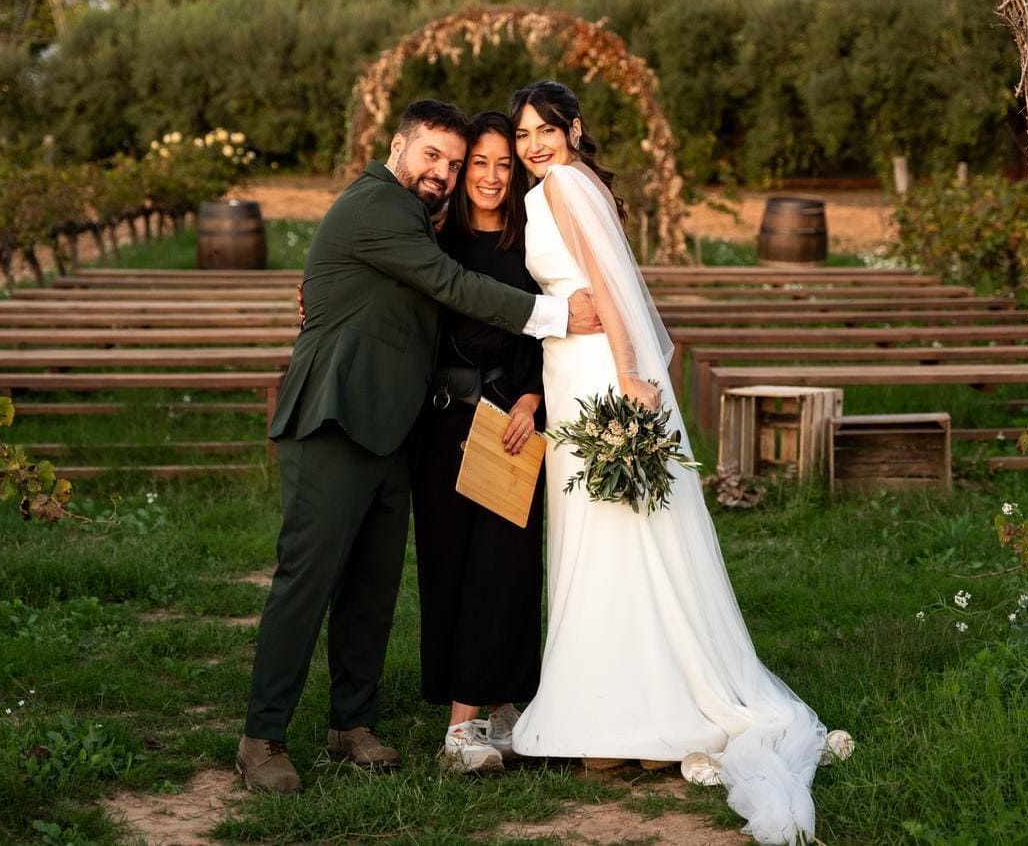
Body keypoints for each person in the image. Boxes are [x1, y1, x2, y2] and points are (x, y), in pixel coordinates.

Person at [505, 81, 850, 845]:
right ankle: (623, 707)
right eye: (523, 135)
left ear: (574, 129)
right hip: (577, 366)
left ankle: (616, 717)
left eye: (545, 131)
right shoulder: (580, 183)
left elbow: (607, 284)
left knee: (607, 536)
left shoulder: (561, 185)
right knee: (618, 535)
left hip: (595, 371)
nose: (533, 146)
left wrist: (631, 375)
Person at [236, 99, 602, 795]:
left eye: (454, 164)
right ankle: (262, 738)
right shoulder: (378, 204)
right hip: (333, 419)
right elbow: (450, 284)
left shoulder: (418, 218)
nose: (445, 172)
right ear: (398, 146)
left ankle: (352, 723)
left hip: (391, 430)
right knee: (307, 582)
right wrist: (555, 314)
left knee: (372, 588)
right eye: (433, 155)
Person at [410, 111, 545, 775]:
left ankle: (506, 705)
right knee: (454, 567)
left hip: (513, 423)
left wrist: (533, 398)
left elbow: (552, 330)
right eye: (479, 163)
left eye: (503, 164)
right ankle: (460, 730)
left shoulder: (534, 240)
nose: (491, 176)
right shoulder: (436, 238)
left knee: (511, 568)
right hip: (445, 425)